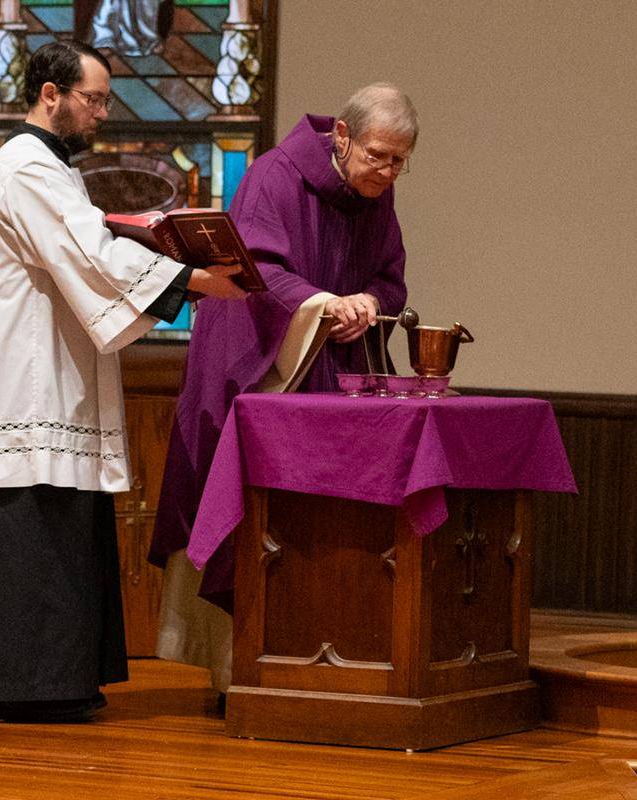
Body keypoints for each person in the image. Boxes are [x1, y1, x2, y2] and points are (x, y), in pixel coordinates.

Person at [0, 39, 245, 723]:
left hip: (48, 373)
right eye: (95, 98)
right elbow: (90, 252)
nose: (103, 112)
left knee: (62, 531)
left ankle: (59, 679)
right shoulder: (25, 170)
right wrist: (194, 279)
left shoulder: (46, 168)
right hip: (29, 385)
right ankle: (34, 686)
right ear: (51, 96)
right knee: (38, 534)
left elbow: (86, 248)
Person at [149, 83, 418, 698]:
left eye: (400, 160)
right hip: (260, 364)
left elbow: (389, 277)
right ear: (342, 137)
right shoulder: (275, 176)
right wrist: (326, 303)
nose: (388, 170)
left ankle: (329, 665)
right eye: (378, 154)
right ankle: (236, 672)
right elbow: (255, 272)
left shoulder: (378, 193)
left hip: (335, 372)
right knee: (250, 516)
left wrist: (370, 302)